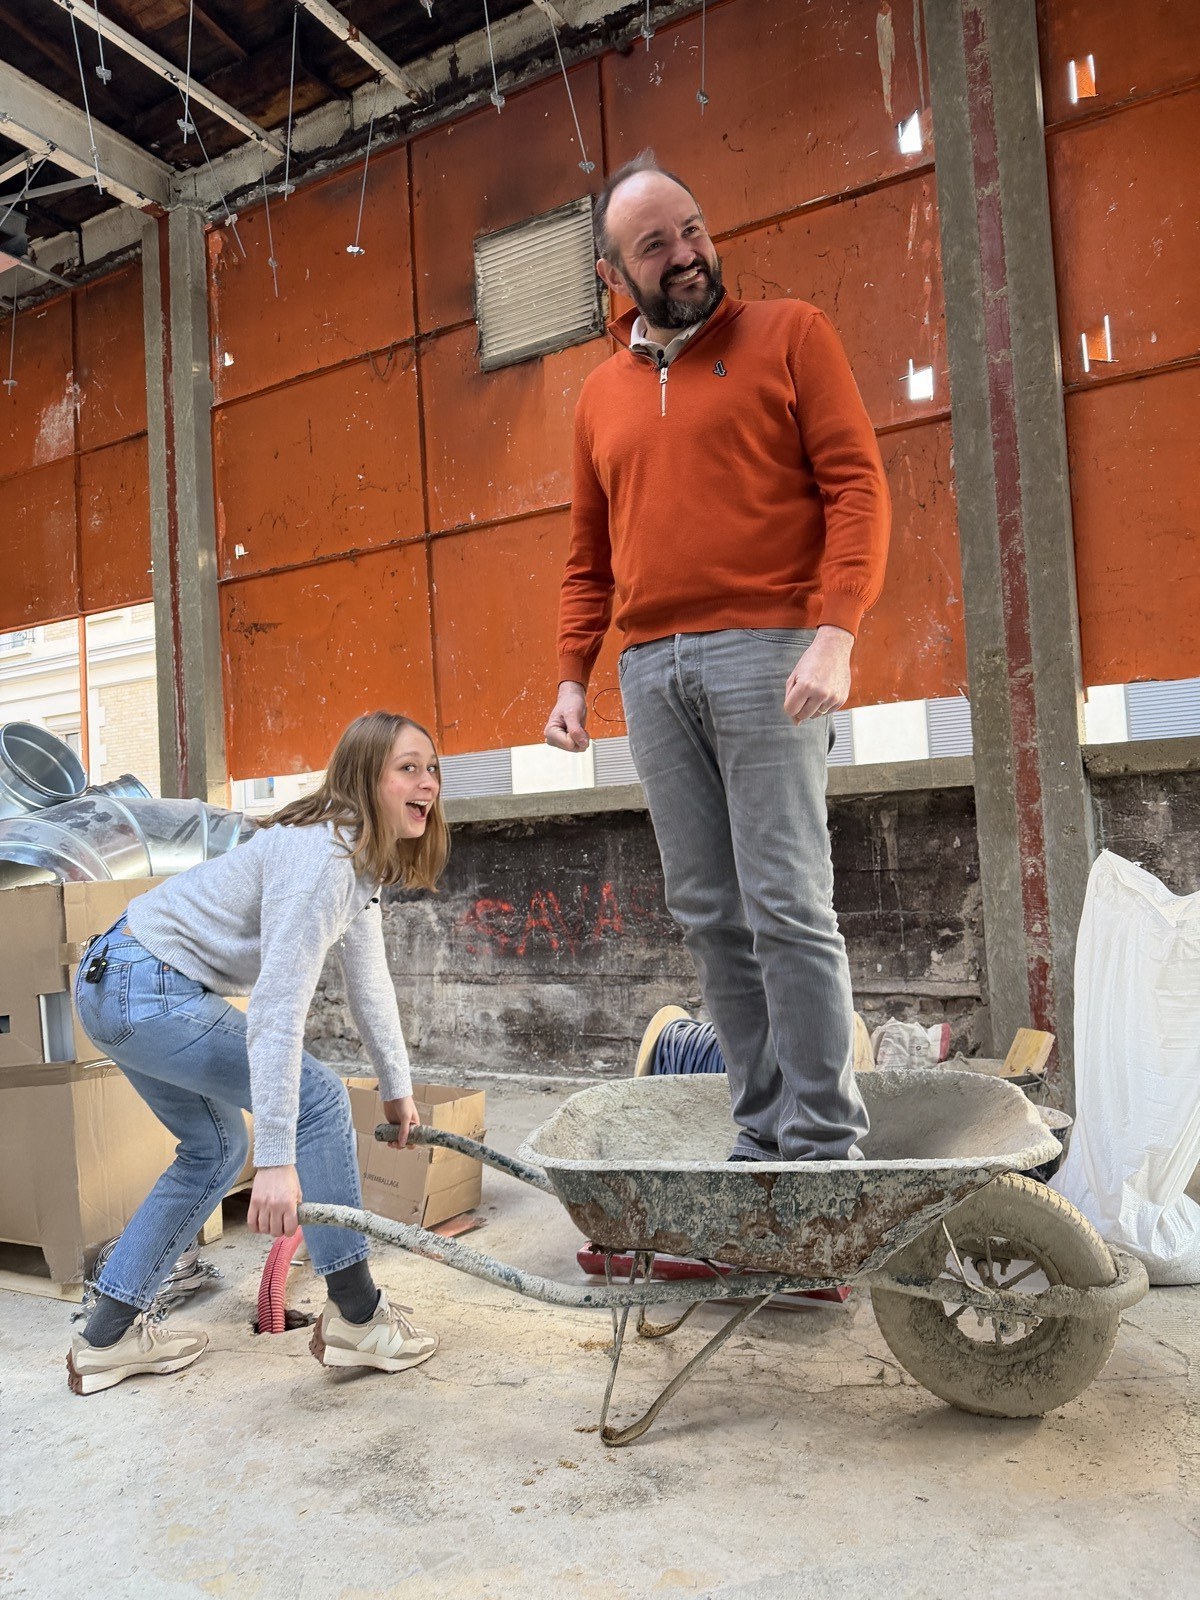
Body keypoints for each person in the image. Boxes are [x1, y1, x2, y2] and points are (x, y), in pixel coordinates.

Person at [545, 151, 891, 1163]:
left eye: (693, 229)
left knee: (787, 901)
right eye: (657, 245)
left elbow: (857, 489)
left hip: (771, 648)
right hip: (651, 672)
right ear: (616, 277)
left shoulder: (791, 335)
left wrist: (838, 627)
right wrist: (572, 674)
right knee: (708, 913)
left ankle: (825, 1139)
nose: (689, 254)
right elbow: (585, 557)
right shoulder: (597, 398)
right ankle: (764, 1127)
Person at [67, 711, 447, 1394]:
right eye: (408, 767)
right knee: (321, 1100)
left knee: (211, 1151)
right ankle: (359, 1316)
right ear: (365, 777)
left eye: (432, 768)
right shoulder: (324, 864)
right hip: (146, 986)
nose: (428, 783)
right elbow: (275, 1011)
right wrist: (277, 1159)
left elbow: (370, 982)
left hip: (111, 981)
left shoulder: (351, 859)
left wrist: (398, 1087)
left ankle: (107, 1339)